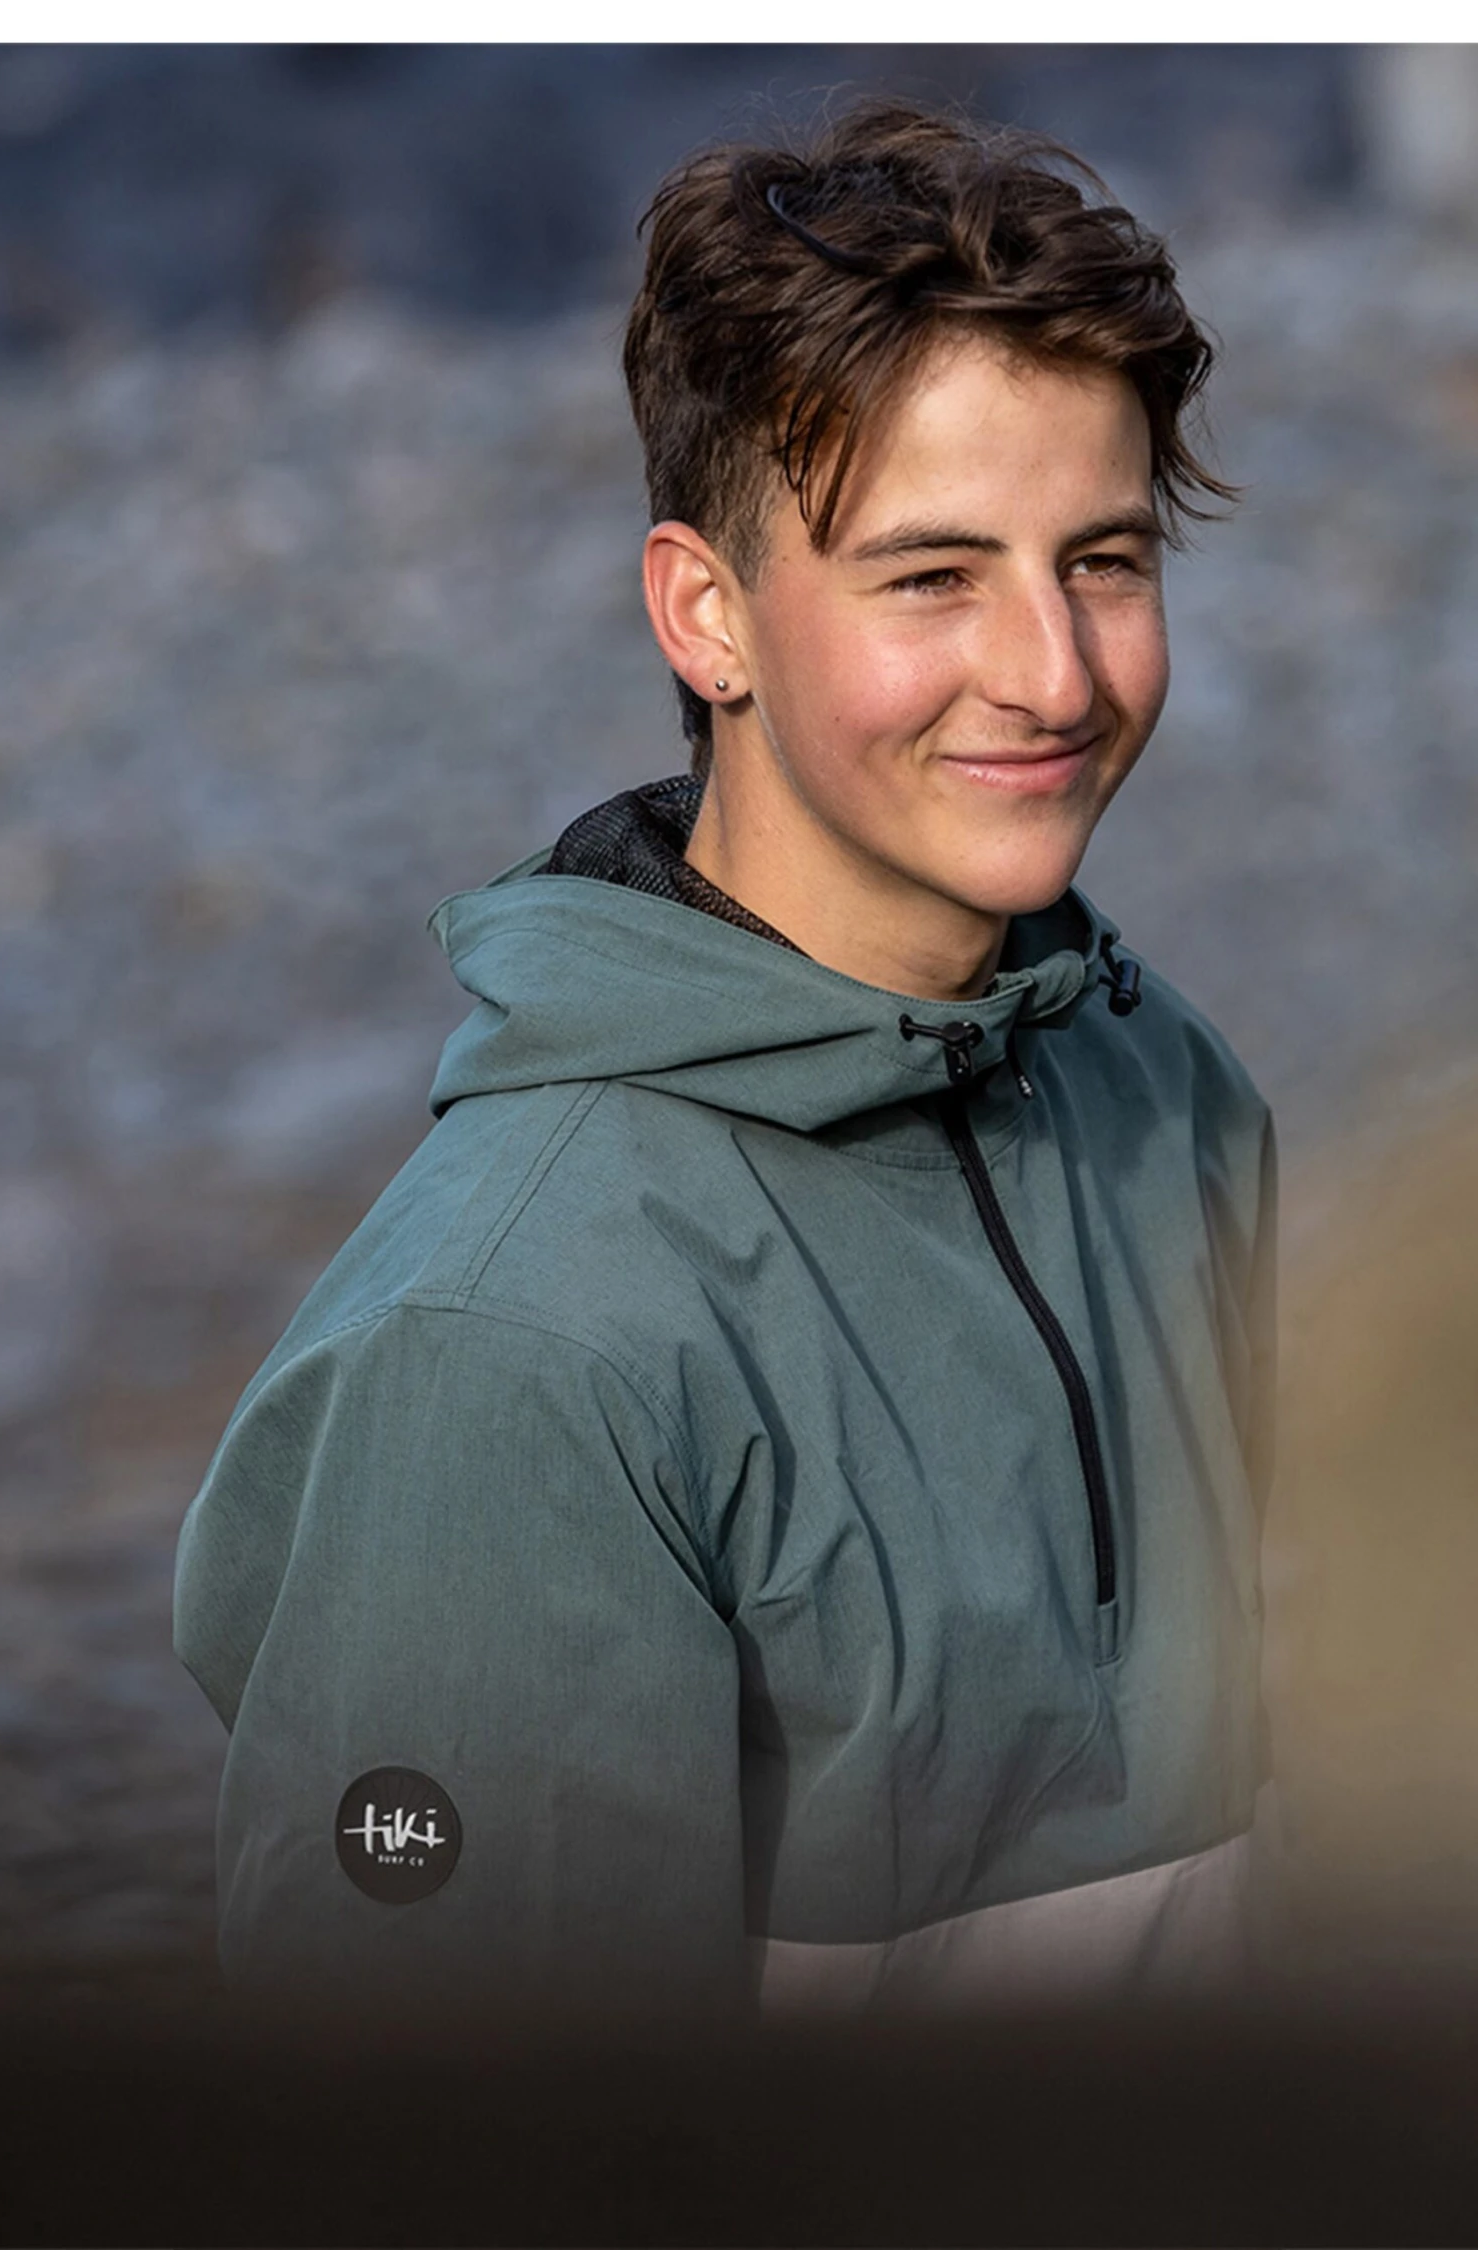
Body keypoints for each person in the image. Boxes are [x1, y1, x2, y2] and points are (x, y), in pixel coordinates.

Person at [174, 98, 1278, 2023]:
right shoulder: (510, 1347)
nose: (1055, 673)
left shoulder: (1161, 1088)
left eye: (1102, 559)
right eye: (932, 576)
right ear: (708, 615)